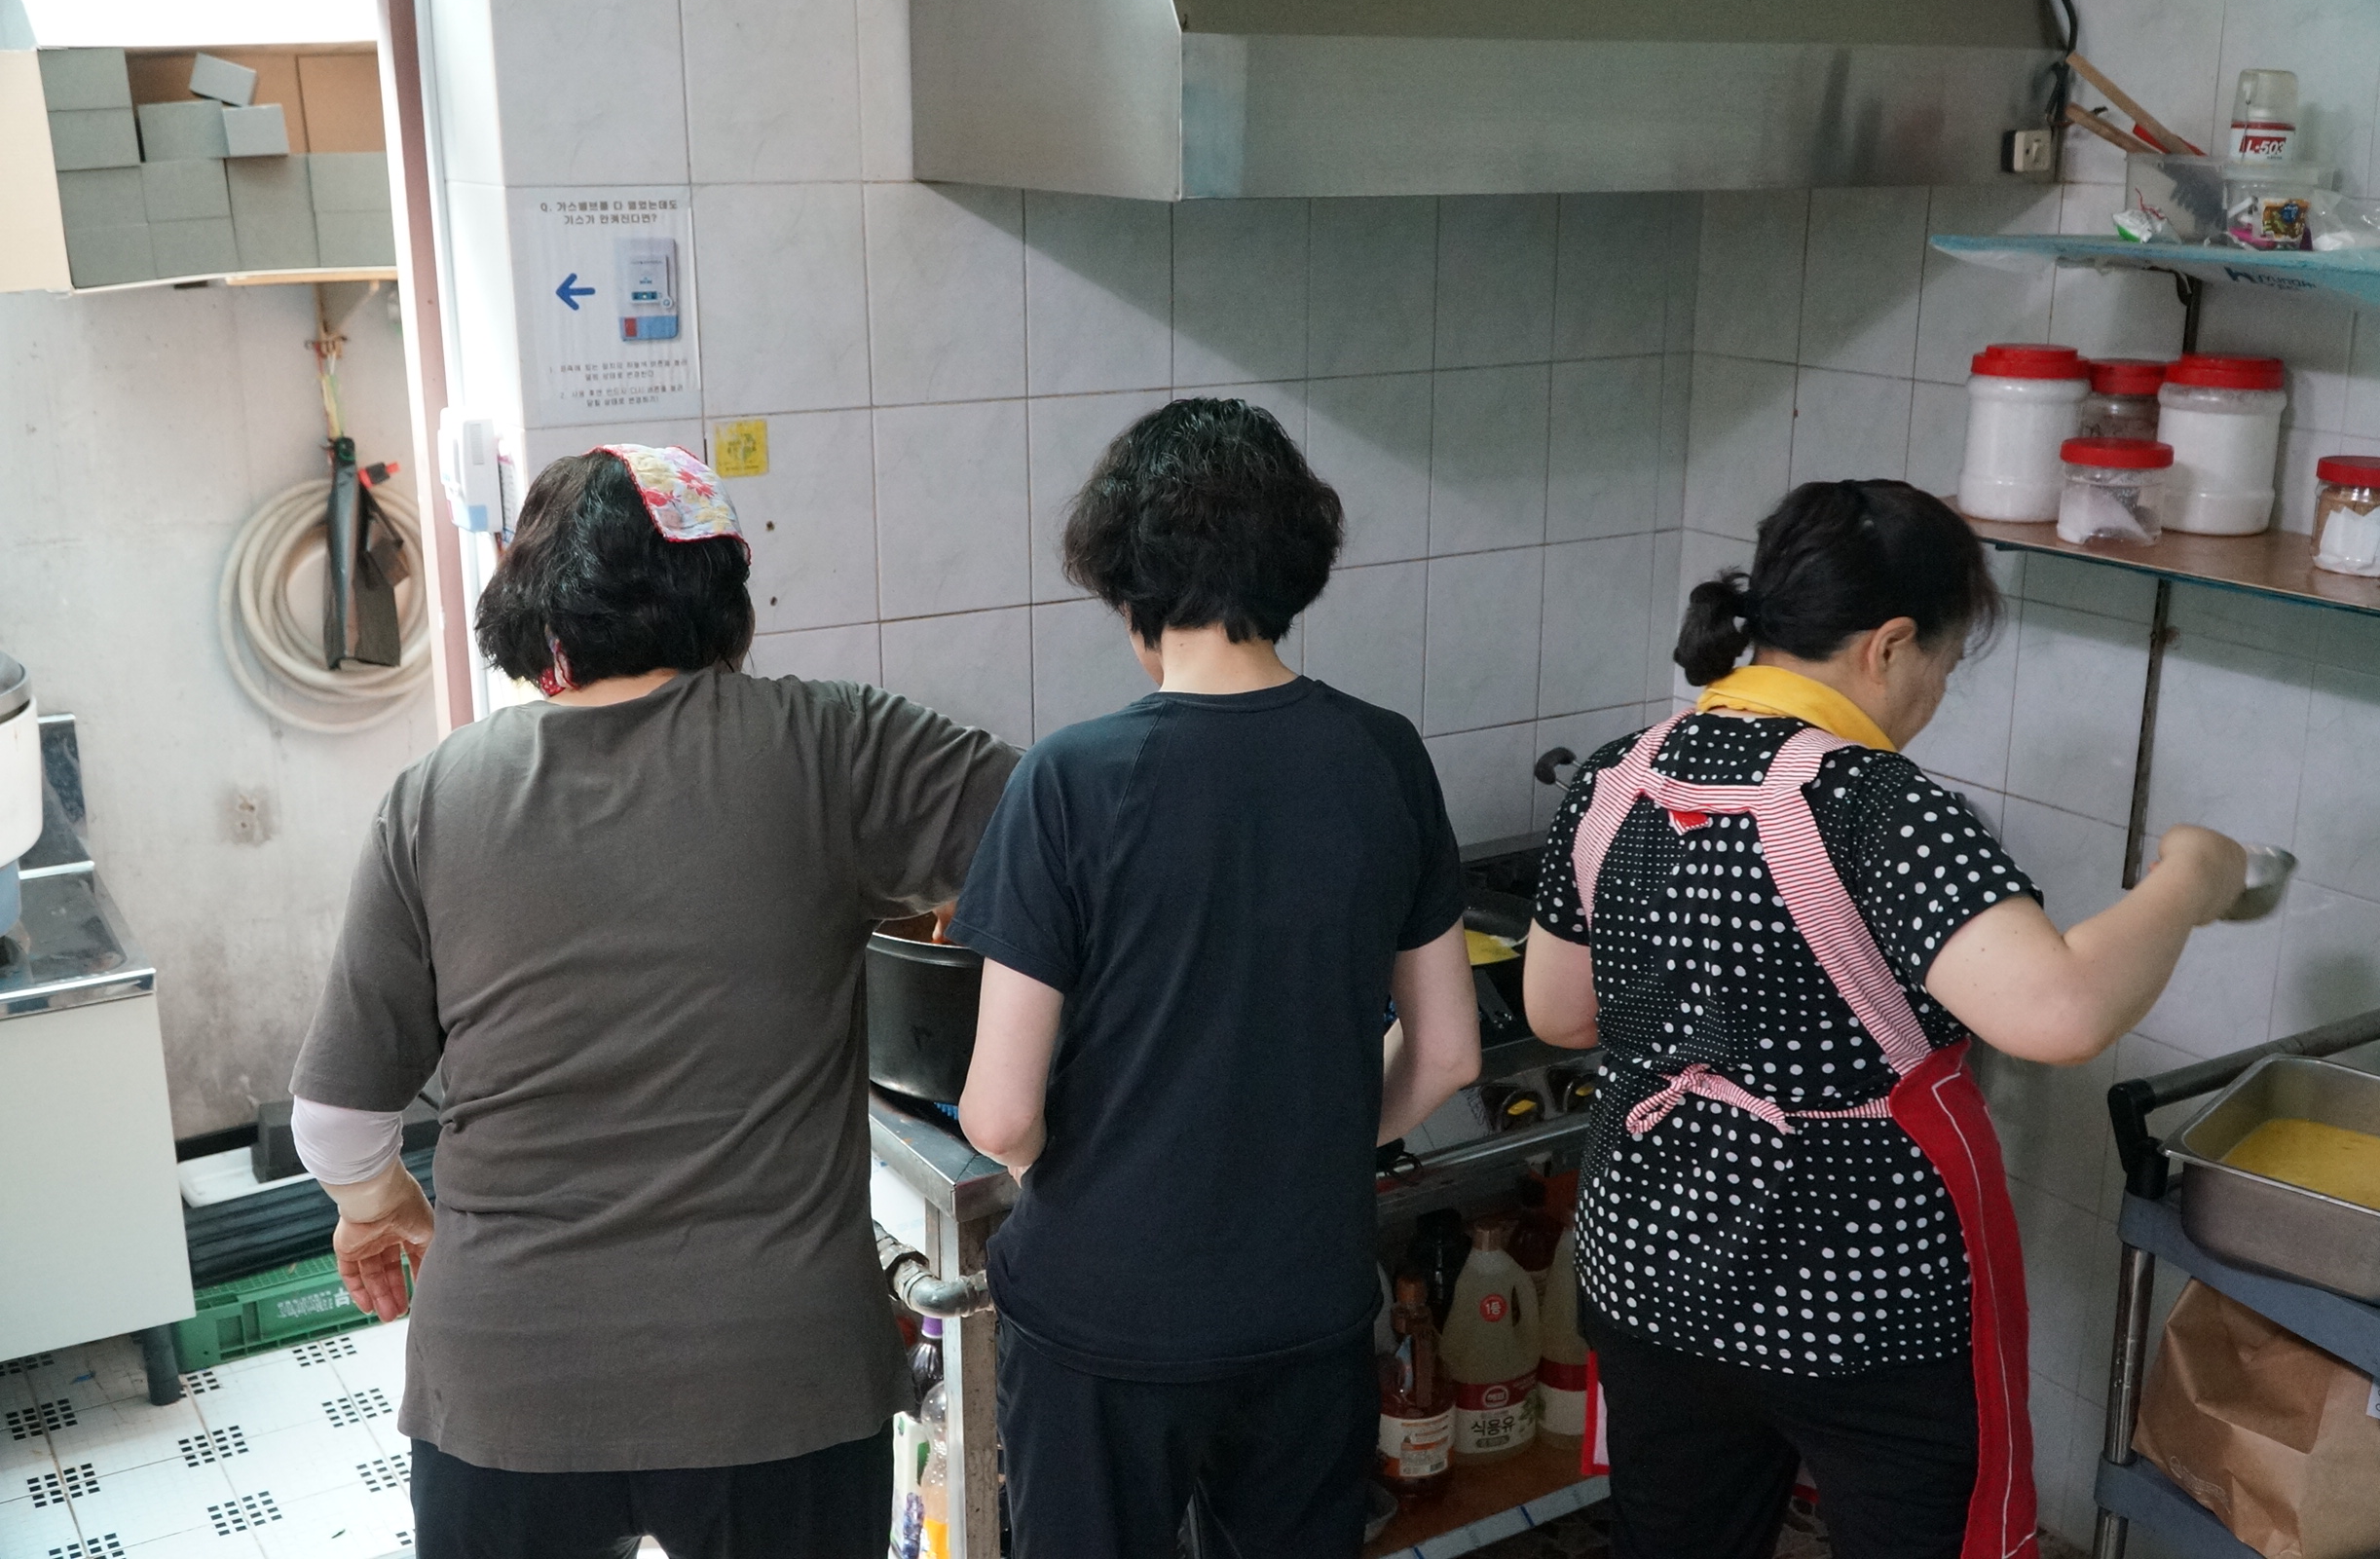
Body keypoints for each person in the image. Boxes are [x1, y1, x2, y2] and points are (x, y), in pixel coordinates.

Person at [288, 444, 1018, 1559]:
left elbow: (337, 1123)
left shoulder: (435, 795)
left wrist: (380, 1207)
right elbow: (1074, 837)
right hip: (776, 1376)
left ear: (540, 611)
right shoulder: (830, 744)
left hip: (509, 1380)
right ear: (724, 599)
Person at [1522, 480, 2247, 1559]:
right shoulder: (1877, 803)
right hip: (1864, 1308)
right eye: (1944, 667)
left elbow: (1559, 1012)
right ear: (1891, 645)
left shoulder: (1620, 777)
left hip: (1651, 1276)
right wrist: (2190, 877)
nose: (1934, 695)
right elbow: (2061, 1010)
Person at [948, 398, 1482, 1559]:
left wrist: (1088, 1175)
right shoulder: (1385, 753)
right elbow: (1448, 1051)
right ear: (1293, 568)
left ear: (1127, 587)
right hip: (1306, 1302)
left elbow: (998, 1114)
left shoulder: (1070, 780)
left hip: (1101, 1314)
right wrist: (1311, 1149)